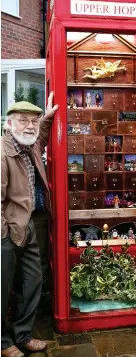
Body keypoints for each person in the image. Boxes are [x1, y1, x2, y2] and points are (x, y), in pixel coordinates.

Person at [1, 92, 58, 357]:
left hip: (29, 225)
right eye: (23, 120)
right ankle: (3, 342)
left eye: (32, 121)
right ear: (8, 124)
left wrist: (46, 118)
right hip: (7, 230)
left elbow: (42, 137)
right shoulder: (3, 153)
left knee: (33, 281)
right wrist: (4, 233)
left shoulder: (30, 145)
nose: (29, 125)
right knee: (3, 287)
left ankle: (22, 334)